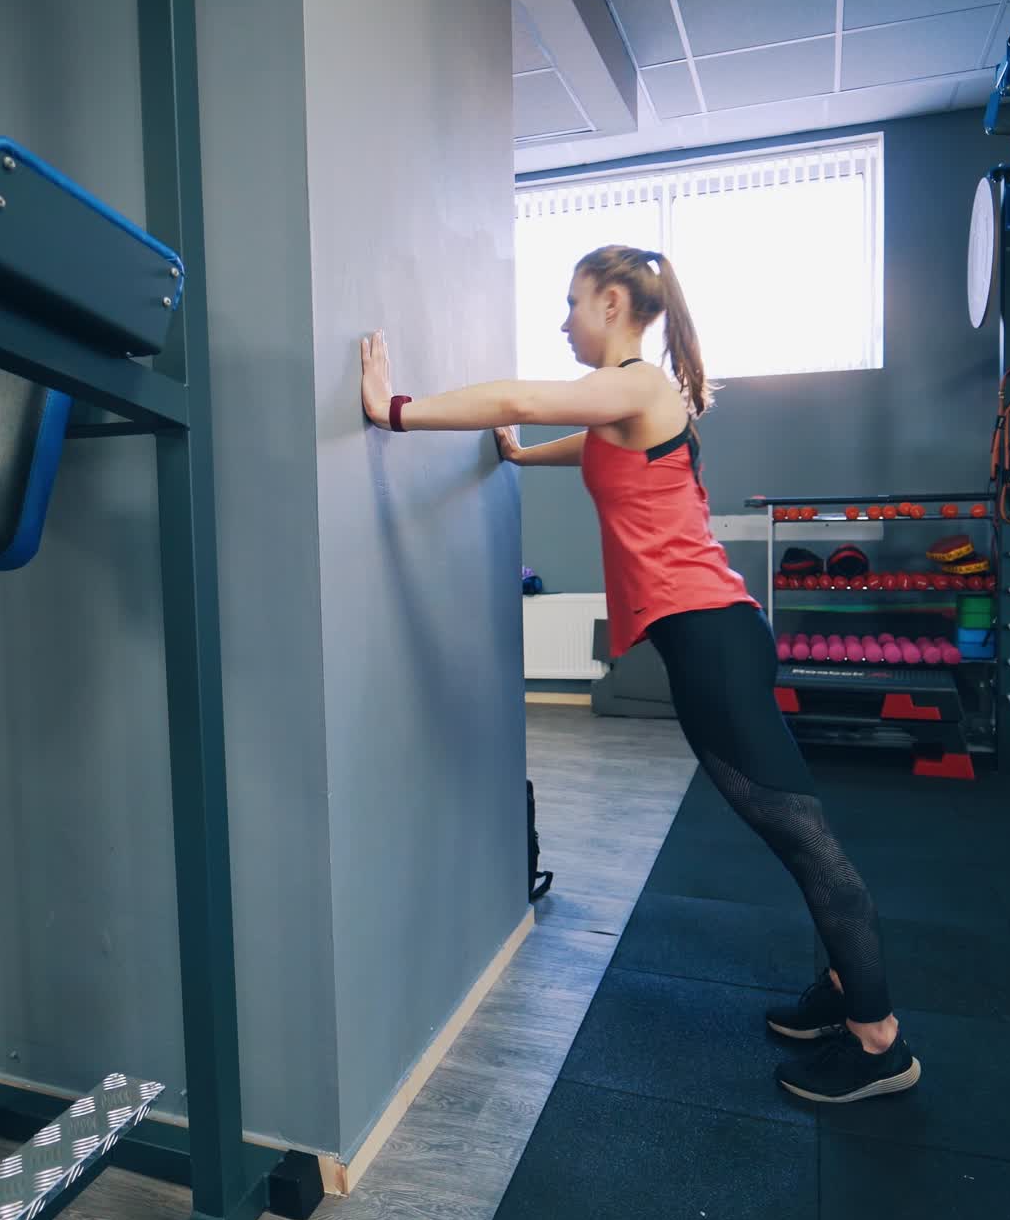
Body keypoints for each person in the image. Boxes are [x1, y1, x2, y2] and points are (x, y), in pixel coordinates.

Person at [359, 244, 920, 1104]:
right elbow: (583, 448)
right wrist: (514, 456)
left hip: (714, 640)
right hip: (713, 635)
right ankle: (843, 992)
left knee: (799, 835)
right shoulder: (632, 410)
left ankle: (879, 1041)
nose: (564, 320)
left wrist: (393, 410)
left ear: (615, 304)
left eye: (573, 302)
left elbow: (518, 393)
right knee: (789, 827)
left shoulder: (641, 386)